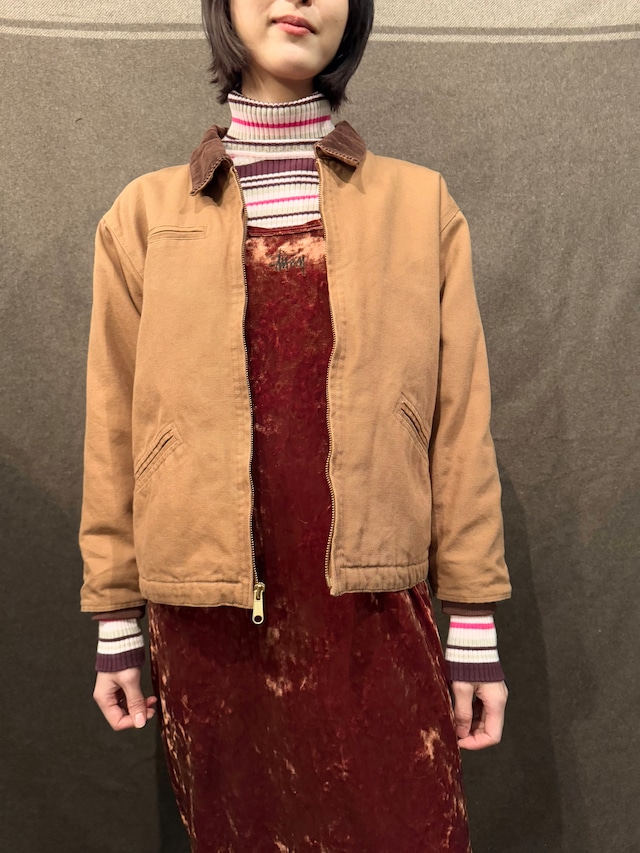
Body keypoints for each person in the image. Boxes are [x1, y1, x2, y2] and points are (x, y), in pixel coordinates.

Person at [80, 1, 511, 849]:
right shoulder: (143, 216)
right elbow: (115, 429)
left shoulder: (419, 207)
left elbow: (460, 426)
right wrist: (115, 616)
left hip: (375, 610)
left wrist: (473, 624)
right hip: (209, 617)